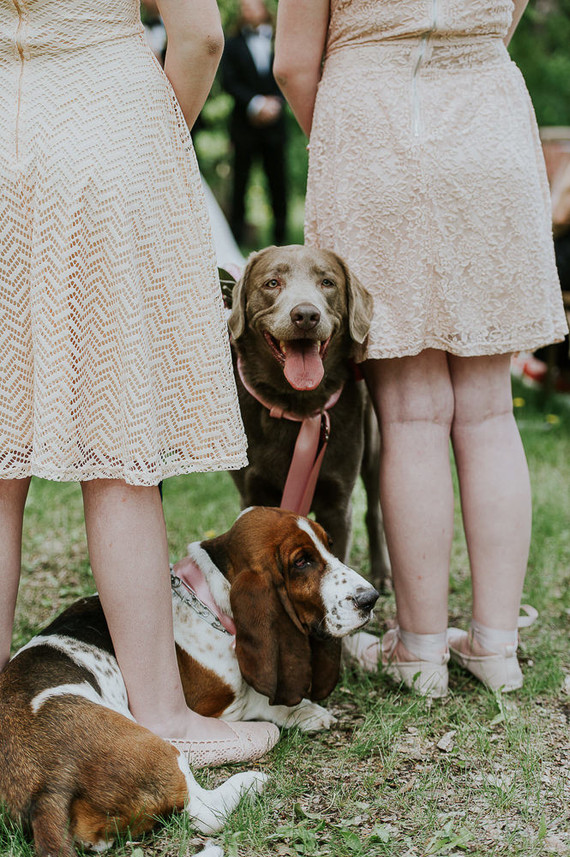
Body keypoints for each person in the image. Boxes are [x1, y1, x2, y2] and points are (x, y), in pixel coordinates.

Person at [0, 0, 279, 764]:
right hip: (105, 132)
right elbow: (200, 36)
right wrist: (152, 136)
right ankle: (163, 713)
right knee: (118, 448)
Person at [274, 0, 568, 697]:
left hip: (373, 126)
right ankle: (496, 644)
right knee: (490, 409)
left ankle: (421, 646)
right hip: (486, 127)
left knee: (410, 413)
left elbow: (291, 62)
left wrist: (348, 142)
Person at [221, 0, 288, 247]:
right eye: (245, 7)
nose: (248, 11)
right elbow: (228, 81)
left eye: (253, 6)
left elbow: (289, 74)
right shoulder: (233, 43)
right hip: (244, 126)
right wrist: (255, 103)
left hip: (275, 127)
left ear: (263, 9)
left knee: (278, 184)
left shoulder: (280, 39)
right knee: (240, 183)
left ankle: (281, 238)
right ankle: (236, 239)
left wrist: (276, 103)